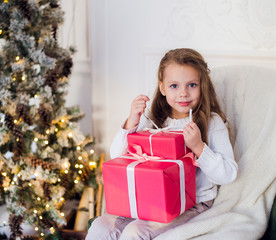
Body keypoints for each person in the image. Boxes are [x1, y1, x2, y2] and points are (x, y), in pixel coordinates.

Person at [86, 48, 238, 240]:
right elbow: (118, 155)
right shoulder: (153, 120)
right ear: (162, 88)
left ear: (202, 86)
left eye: (191, 85)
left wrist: (199, 147)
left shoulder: (211, 122)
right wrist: (132, 121)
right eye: (174, 86)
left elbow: (228, 174)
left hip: (191, 203)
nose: (183, 93)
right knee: (100, 227)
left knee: (135, 232)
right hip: (149, 199)